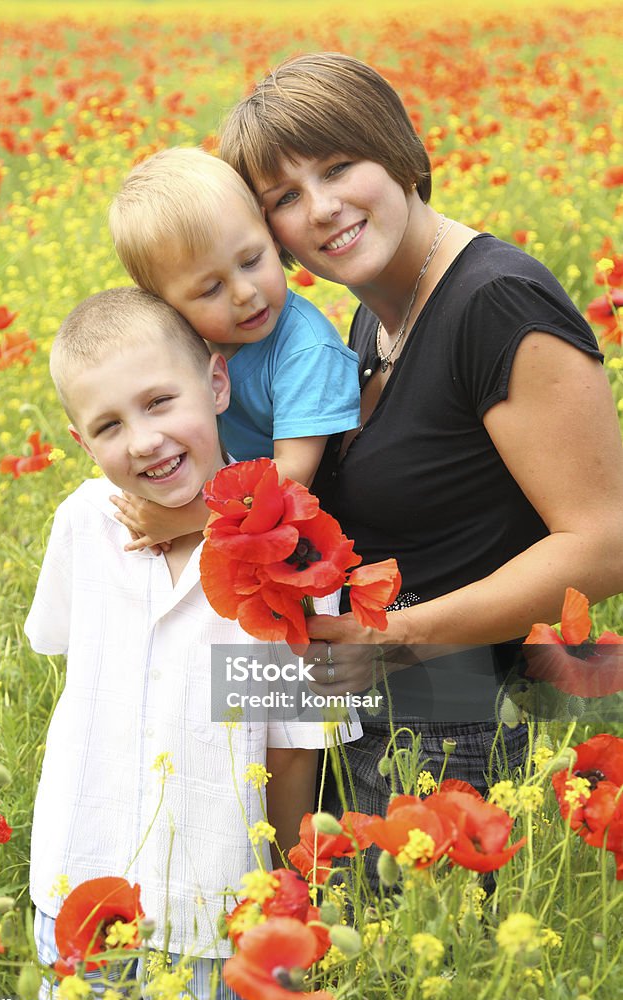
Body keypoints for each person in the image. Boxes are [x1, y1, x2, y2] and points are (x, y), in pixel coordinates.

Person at [218, 52, 623, 883]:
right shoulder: (377, 320)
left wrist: (392, 638)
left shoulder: (495, 303)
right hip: (380, 716)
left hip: (457, 738)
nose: (322, 208)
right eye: (284, 199)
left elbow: (604, 544)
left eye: (337, 167)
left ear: (399, 152)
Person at [24, 287, 356, 1000]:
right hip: (78, 881)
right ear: (80, 442)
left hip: (216, 907)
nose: (142, 440)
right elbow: (68, 657)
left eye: (159, 402)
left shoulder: (295, 553)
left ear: (214, 383)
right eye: (109, 424)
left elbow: (294, 744)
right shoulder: (82, 523)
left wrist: (275, 895)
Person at [106, 147, 359, 553]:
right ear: (164, 302)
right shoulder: (187, 345)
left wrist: (181, 520)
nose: (245, 293)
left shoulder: (305, 350)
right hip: (236, 507)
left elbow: (291, 479)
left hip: (309, 535)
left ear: (269, 232)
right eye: (210, 289)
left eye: (252, 260)